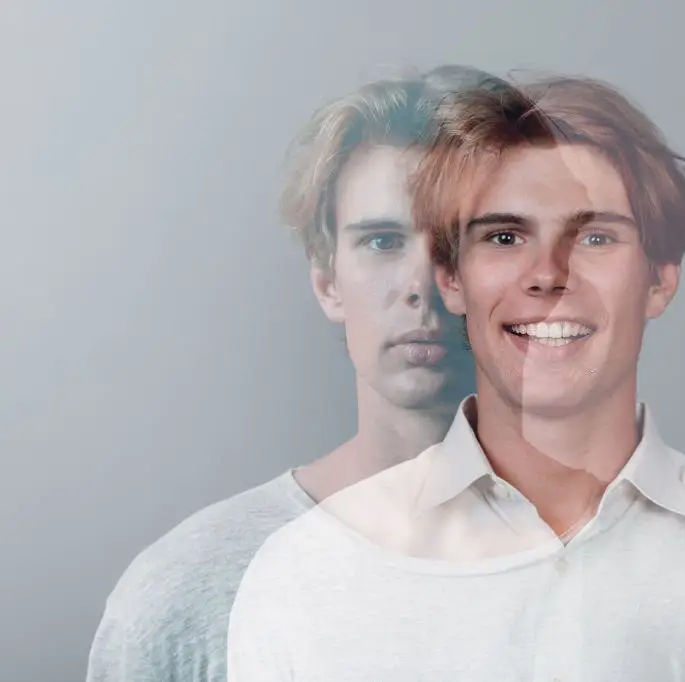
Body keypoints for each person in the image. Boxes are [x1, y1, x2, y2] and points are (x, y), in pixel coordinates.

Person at [226, 73, 685, 681]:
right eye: (505, 238)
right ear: (452, 279)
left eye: (595, 238)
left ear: (660, 279)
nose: (548, 275)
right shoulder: (306, 575)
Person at [85, 65, 486, 682]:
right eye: (382, 242)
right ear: (327, 282)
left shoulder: (626, 566)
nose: (423, 285)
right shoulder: (189, 593)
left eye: (471, 240)